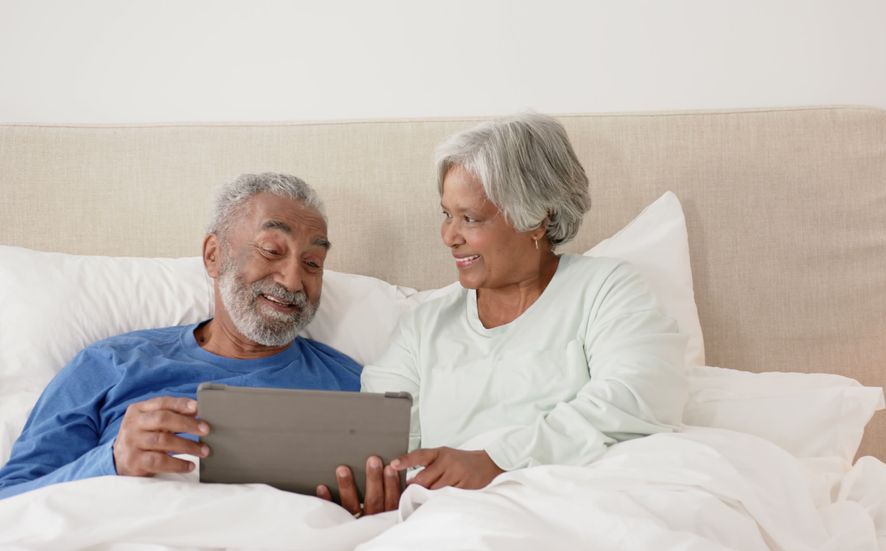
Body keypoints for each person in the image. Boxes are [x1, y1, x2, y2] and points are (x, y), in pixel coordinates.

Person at [326, 113, 688, 517]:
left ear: (537, 217)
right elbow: (382, 438)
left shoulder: (604, 289)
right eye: (446, 214)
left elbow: (639, 395)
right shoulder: (424, 327)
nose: (449, 236)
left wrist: (496, 458)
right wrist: (378, 481)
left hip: (571, 508)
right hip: (451, 521)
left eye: (471, 218)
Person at [0, 173, 361, 500]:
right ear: (214, 256)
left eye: (313, 263)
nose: (293, 280)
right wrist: (111, 461)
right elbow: (12, 501)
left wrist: (375, 508)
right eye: (271, 251)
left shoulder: (354, 386)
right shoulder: (110, 364)